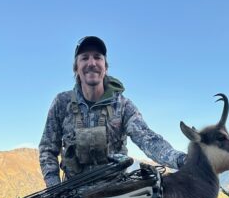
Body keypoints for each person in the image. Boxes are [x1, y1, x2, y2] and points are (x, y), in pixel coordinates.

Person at [39, 36, 186, 187]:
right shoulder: (61, 103)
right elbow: (47, 150)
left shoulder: (123, 105)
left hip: (117, 193)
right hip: (71, 196)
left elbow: (149, 140)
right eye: (84, 58)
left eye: (98, 57)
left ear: (105, 67)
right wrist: (55, 189)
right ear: (76, 68)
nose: (91, 63)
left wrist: (182, 160)